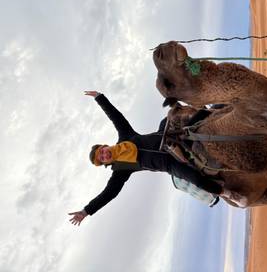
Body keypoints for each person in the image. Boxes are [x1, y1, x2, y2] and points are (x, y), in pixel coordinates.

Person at [68, 91, 245, 226]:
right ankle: (229, 193)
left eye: (102, 151)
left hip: (169, 139)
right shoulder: (121, 170)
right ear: (105, 163)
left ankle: (225, 107)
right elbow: (109, 193)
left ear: (104, 146)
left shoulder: (125, 136)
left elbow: (116, 117)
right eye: (102, 158)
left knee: (198, 118)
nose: (105, 155)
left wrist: (100, 97)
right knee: (196, 179)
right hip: (171, 163)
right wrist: (86, 211)